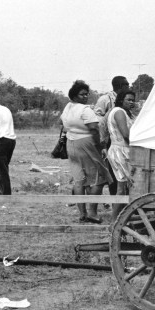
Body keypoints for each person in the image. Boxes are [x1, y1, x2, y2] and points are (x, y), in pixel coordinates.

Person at [61, 79, 112, 223]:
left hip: (71, 143)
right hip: (86, 143)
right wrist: (100, 146)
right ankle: (92, 212)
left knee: (79, 179)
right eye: (82, 94)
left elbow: (63, 124)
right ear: (75, 95)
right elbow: (94, 129)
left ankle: (82, 213)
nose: (85, 97)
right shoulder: (85, 110)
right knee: (98, 178)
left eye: (86, 94)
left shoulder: (68, 108)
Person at [92, 75, 128, 204]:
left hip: (120, 140)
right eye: (126, 85)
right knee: (113, 174)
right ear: (120, 86)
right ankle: (115, 202)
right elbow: (97, 118)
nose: (128, 87)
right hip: (110, 140)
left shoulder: (125, 98)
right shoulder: (105, 99)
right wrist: (109, 119)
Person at [105, 87, 136, 220]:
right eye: (128, 99)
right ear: (121, 100)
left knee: (126, 187)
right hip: (120, 151)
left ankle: (122, 217)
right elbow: (126, 134)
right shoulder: (119, 112)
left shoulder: (127, 112)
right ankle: (114, 220)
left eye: (133, 100)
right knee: (122, 187)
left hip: (124, 150)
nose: (131, 102)